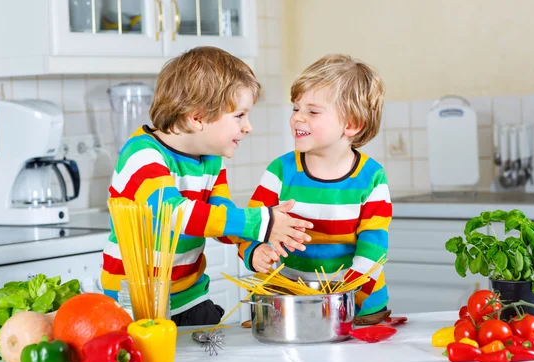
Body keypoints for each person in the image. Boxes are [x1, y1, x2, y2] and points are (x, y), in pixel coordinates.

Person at [101, 46, 313, 326]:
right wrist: (261, 221)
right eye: (239, 115)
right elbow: (175, 215)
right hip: (136, 305)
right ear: (197, 117)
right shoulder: (142, 155)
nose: (248, 126)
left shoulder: (211, 160)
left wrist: (251, 248)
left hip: (190, 298)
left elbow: (219, 213)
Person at [238, 54, 392, 318]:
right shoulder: (281, 171)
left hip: (357, 303)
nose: (298, 118)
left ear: (352, 124)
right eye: (296, 108)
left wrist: (345, 298)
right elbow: (251, 224)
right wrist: (254, 251)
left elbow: (373, 247)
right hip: (286, 304)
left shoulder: (372, 177)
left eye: (312, 111)